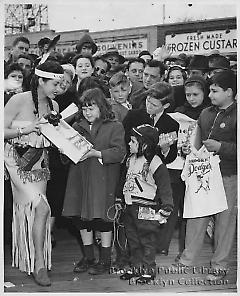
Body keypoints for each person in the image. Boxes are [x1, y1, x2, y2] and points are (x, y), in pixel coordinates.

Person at [4, 60, 64, 286]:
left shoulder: (54, 106)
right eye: (54, 84)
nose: (58, 89)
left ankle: (35, 259)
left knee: (39, 211)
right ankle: (39, 262)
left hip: (39, 163)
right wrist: (26, 129)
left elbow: (52, 136)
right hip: (16, 160)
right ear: (41, 80)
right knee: (42, 207)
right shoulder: (18, 99)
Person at [175, 70, 237, 282]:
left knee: (224, 223)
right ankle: (187, 259)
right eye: (209, 90)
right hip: (203, 174)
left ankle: (219, 266)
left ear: (229, 92)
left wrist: (221, 147)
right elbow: (196, 143)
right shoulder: (206, 113)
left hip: (228, 175)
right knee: (196, 216)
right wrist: (188, 149)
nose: (209, 95)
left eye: (214, 91)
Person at [62, 88, 126, 275]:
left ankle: (105, 260)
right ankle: (88, 257)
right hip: (79, 178)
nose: (87, 112)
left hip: (103, 180)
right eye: (84, 109)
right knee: (82, 219)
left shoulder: (115, 126)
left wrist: (95, 153)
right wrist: (64, 151)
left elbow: (119, 152)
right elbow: (67, 156)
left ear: (102, 107)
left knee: (103, 220)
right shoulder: (76, 127)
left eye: (92, 108)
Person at [157, 75, 210, 257]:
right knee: (170, 206)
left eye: (196, 94)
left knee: (190, 209)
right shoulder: (178, 111)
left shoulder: (210, 113)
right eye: (188, 94)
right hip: (176, 165)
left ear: (205, 93)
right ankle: (162, 245)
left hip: (198, 166)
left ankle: (186, 249)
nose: (191, 98)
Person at [116, 124, 173, 283]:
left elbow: (165, 186)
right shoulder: (130, 159)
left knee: (147, 240)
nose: (129, 144)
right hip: (129, 207)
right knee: (132, 239)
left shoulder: (154, 162)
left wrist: (167, 206)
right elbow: (124, 180)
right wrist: (119, 199)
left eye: (133, 141)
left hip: (146, 208)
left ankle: (148, 271)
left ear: (145, 144)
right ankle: (136, 268)